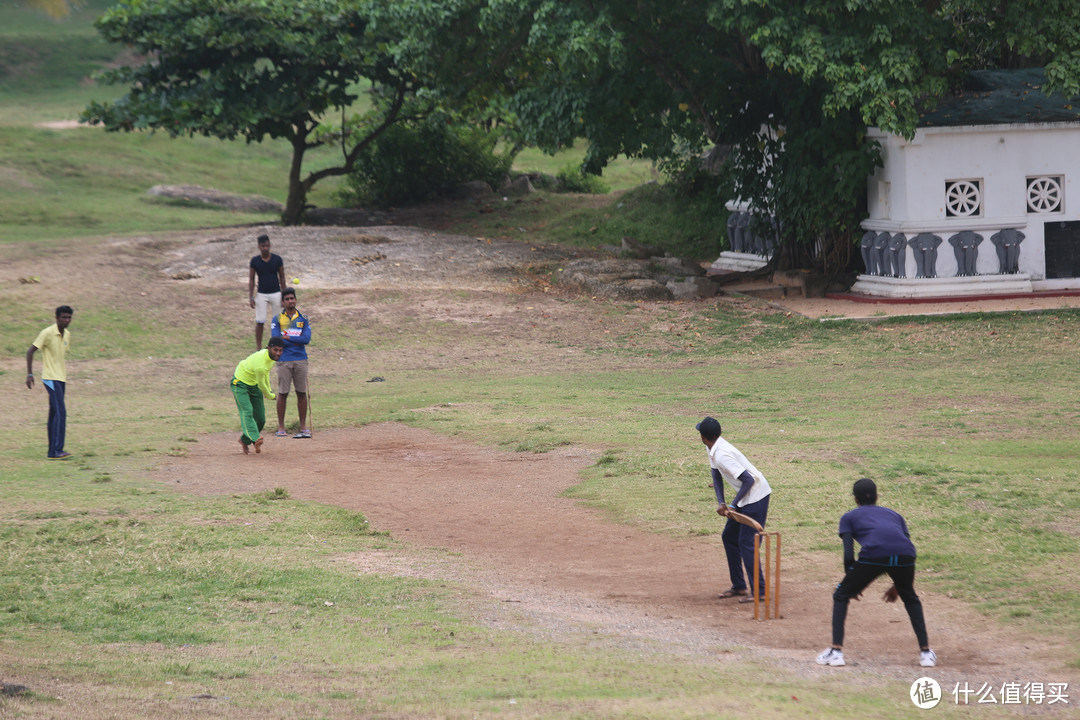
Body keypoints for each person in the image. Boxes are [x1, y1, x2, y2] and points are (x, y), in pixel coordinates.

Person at [816, 478, 936, 668]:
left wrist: (852, 585)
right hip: (906, 555)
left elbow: (848, 555)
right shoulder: (894, 515)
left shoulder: (849, 517)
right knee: (910, 597)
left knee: (840, 595)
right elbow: (899, 547)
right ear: (877, 497)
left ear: (855, 499)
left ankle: (836, 652)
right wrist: (899, 585)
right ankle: (926, 653)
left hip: (874, 554)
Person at [696, 416, 772, 603]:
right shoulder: (712, 448)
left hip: (756, 497)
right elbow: (716, 473)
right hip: (744, 497)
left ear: (704, 437)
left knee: (747, 544)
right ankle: (739, 586)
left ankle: (760, 591)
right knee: (729, 537)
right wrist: (721, 501)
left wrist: (732, 505)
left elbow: (749, 480)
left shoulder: (722, 454)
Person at [26, 306, 75, 459]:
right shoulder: (47, 333)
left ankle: (51, 452)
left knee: (54, 413)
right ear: (57, 318)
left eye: (69, 317)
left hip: (61, 378)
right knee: (61, 411)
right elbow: (30, 351)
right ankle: (57, 449)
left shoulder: (67, 334)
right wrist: (29, 374)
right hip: (50, 378)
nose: (66, 320)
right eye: (64, 317)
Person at [270, 287, 311, 438]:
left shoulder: (304, 318)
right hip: (283, 360)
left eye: (292, 298)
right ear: (283, 302)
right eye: (287, 299)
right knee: (283, 393)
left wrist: (288, 338)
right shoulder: (277, 319)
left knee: (301, 392)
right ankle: (281, 427)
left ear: (295, 299)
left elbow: (306, 339)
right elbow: (276, 340)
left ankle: (303, 426)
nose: (290, 301)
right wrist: (293, 340)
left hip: (301, 359)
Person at [231, 338, 284, 454]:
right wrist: (269, 395)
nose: (278, 353)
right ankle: (256, 439)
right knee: (247, 411)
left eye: (280, 350)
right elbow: (261, 382)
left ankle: (244, 440)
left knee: (260, 418)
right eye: (275, 350)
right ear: (268, 348)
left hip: (254, 385)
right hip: (240, 383)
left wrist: (269, 391)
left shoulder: (271, 359)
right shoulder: (261, 362)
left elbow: (266, 375)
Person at [248, 234, 286, 351]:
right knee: (260, 321)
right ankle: (259, 347)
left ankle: (278, 345)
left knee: (278, 321)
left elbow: (282, 277)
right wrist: (251, 296)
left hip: (276, 293)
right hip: (261, 294)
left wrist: (284, 295)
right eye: (263, 246)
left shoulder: (277, 259)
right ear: (259, 246)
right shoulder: (255, 261)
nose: (265, 248)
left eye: (267, 245)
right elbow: (252, 279)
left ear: (270, 245)